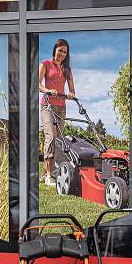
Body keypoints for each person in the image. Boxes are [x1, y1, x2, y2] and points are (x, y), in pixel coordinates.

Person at [39, 39, 76, 186]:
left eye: (65, 52)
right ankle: (49, 175)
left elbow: (72, 88)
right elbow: (37, 84)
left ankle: (44, 173)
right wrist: (48, 90)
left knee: (59, 140)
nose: (62, 54)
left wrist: (71, 94)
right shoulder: (46, 64)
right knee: (51, 137)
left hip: (61, 107)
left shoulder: (67, 70)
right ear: (55, 50)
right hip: (47, 106)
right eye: (60, 50)